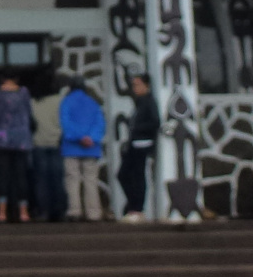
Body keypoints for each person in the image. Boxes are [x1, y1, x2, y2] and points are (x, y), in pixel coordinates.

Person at [0, 70, 34, 223]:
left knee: (2, 175)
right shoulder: (24, 93)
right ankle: (23, 212)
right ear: (17, 78)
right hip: (21, 139)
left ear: (1, 78)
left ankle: (1, 213)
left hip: (0, 138)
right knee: (21, 176)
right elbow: (30, 115)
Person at [61, 78, 107, 221]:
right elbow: (100, 123)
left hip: (71, 146)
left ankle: (74, 211)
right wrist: (91, 137)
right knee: (91, 180)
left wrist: (79, 136)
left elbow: (65, 123)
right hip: (91, 147)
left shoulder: (66, 102)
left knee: (72, 179)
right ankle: (94, 213)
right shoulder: (93, 103)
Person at [118, 73, 159, 222]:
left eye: (137, 85)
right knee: (124, 175)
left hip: (142, 144)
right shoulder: (140, 102)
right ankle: (132, 204)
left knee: (138, 176)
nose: (134, 88)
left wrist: (138, 129)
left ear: (146, 85)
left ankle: (137, 208)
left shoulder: (149, 101)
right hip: (134, 143)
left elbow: (155, 122)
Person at [30, 75, 69, 222]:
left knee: (41, 181)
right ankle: (59, 211)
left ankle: (43, 211)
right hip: (56, 143)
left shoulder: (33, 102)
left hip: (39, 143)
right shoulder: (59, 101)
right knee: (58, 180)